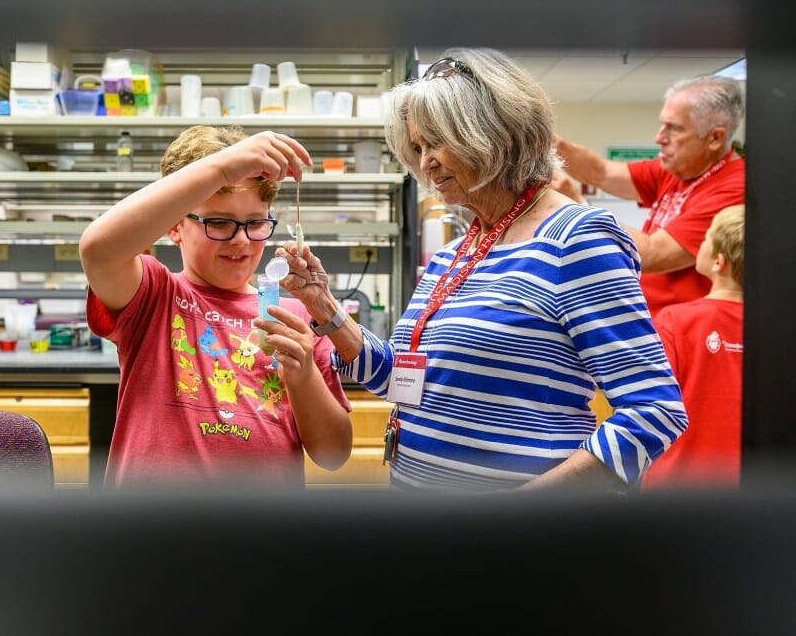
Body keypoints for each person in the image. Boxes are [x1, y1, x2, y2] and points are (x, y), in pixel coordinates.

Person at [275, 48, 688, 493]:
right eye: (418, 147)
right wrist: (324, 305)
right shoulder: (454, 255)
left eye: (438, 141)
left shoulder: (578, 238)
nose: (426, 161)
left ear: (493, 132)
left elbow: (653, 411)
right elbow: (398, 377)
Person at [80, 125, 352, 489]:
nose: (240, 240)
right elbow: (98, 249)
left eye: (255, 223)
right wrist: (223, 167)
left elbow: (333, 454)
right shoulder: (153, 296)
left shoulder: (296, 318)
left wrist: (303, 376)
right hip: (150, 535)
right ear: (175, 225)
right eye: (219, 222)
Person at [552, 74, 745, 319]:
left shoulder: (734, 186)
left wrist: (577, 204)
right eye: (662, 124)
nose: (659, 137)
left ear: (714, 138)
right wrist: (549, 141)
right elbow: (600, 172)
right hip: (651, 320)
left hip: (683, 332)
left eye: (673, 128)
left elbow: (654, 254)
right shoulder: (677, 169)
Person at [642, 204, 745, 490]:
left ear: (718, 262)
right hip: (752, 485)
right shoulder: (777, 327)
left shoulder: (675, 321)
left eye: (705, 239)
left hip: (675, 485)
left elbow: (649, 404)